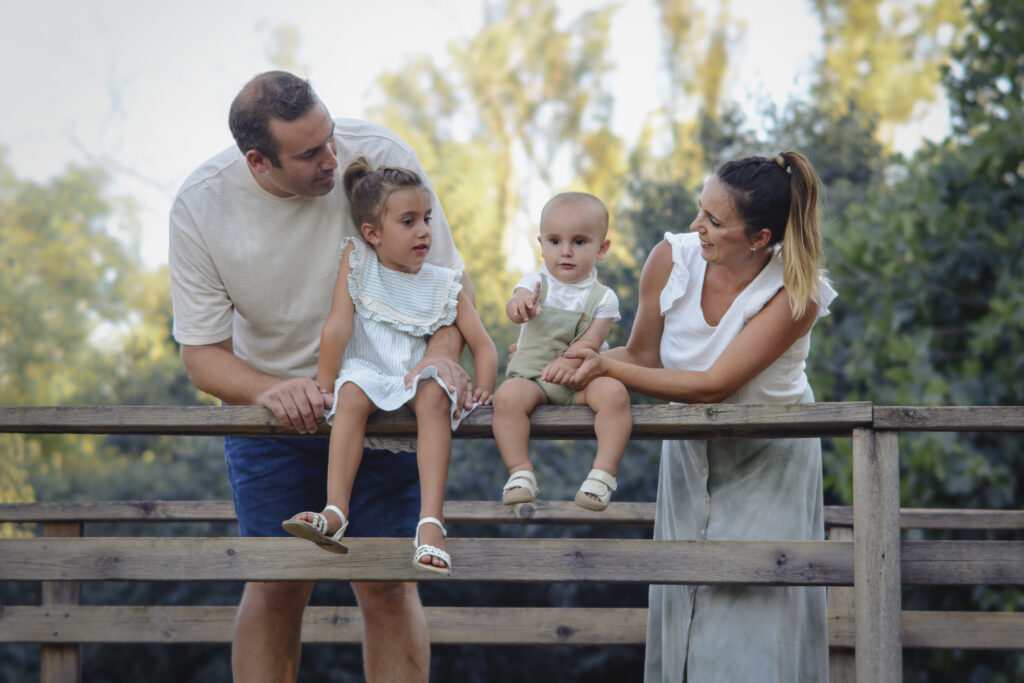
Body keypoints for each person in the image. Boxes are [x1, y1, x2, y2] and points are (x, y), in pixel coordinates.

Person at [169, 71, 475, 682]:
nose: (333, 161)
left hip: (385, 405)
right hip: (271, 423)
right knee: (276, 584)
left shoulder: (383, 156)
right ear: (258, 160)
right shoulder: (200, 205)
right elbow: (201, 354)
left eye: (330, 137)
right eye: (310, 154)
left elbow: (448, 294)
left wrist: (441, 356)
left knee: (387, 582)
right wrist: (268, 390)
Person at [565, 152, 836, 682]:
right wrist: (565, 367)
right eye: (699, 211)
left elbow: (714, 385)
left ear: (759, 239)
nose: (696, 228)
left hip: (771, 461)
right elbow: (643, 358)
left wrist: (604, 367)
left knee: (751, 614)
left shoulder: (795, 292)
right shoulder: (671, 258)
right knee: (685, 601)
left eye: (714, 221)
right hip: (688, 456)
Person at [283, 158, 497, 576]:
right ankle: (334, 512)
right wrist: (324, 385)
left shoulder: (441, 282)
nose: (423, 231)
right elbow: (338, 325)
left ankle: (431, 523)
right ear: (372, 233)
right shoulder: (359, 261)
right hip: (367, 369)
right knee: (351, 392)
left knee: (433, 390)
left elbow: (483, 344)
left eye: (427, 219)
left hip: (415, 375)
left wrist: (485, 389)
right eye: (409, 221)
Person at [492, 192, 632, 511]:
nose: (565, 252)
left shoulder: (604, 298)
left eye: (579, 242)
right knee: (506, 398)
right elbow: (514, 306)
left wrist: (568, 365)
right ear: (541, 245)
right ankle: (520, 473)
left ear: (602, 248)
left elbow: (590, 345)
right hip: (533, 380)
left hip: (580, 380)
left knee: (613, 394)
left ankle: (602, 475)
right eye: (555, 241)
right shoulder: (535, 281)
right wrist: (520, 307)